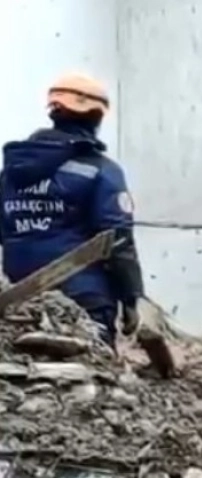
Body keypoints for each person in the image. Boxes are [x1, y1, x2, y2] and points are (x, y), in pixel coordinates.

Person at [0, 72, 145, 347]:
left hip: (18, 304)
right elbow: (119, 241)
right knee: (92, 378)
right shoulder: (101, 171)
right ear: (95, 117)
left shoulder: (11, 173)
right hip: (84, 300)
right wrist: (131, 297)